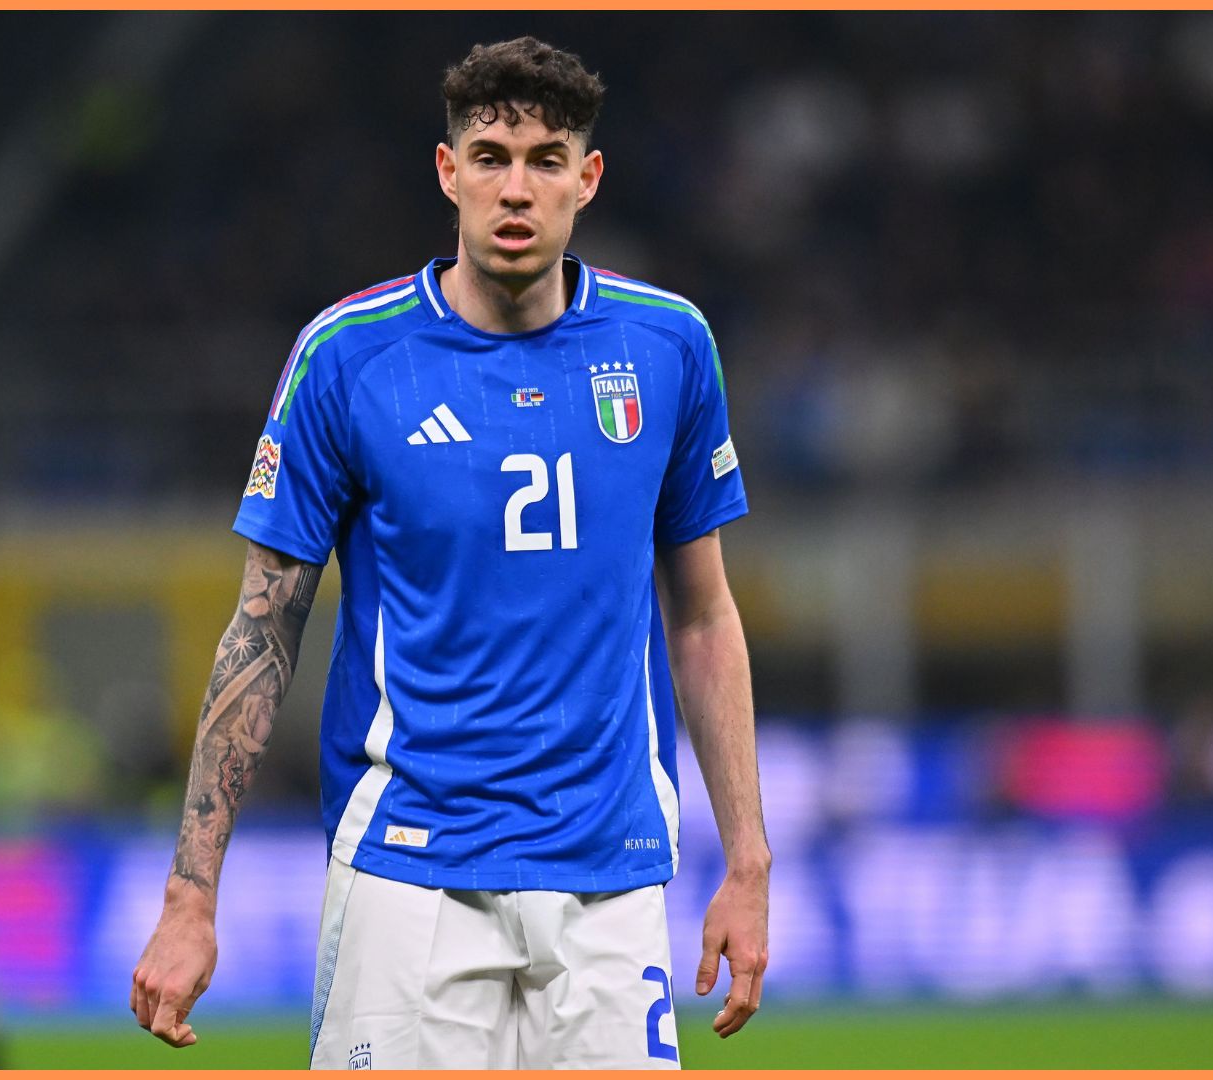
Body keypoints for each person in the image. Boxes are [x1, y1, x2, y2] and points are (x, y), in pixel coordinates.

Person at [131, 36, 769, 1069]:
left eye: (546, 160)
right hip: (410, 876)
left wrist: (748, 861)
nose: (516, 188)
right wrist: (190, 897)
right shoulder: (349, 358)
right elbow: (261, 629)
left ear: (587, 180)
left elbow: (702, 617)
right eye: (489, 157)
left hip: (612, 874)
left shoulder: (669, 346)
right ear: (447, 172)